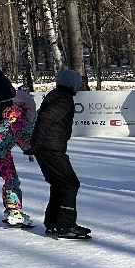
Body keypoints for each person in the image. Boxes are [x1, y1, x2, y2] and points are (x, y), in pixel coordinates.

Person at [28, 67, 91, 239]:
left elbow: (42, 118)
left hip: (48, 147)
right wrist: (37, 145)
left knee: (59, 183)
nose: (79, 86)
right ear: (71, 83)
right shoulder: (64, 99)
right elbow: (45, 118)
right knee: (70, 183)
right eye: (78, 83)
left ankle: (53, 222)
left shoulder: (56, 94)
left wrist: (35, 145)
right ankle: (66, 225)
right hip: (50, 148)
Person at [0, 89, 36, 228]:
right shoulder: (17, 115)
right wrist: (28, 148)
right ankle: (13, 211)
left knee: (11, 178)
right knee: (11, 178)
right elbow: (19, 134)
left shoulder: (15, 112)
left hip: (0, 148)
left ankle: (11, 210)